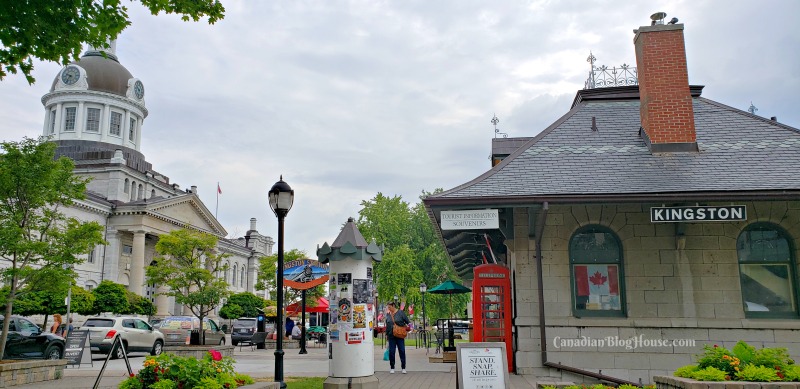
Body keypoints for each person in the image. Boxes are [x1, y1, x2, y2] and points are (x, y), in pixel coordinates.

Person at [385, 302, 410, 374]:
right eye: (388, 307)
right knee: (391, 352)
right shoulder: (388, 314)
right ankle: (392, 367)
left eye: (390, 307)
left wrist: (411, 328)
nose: (389, 309)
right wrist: (387, 335)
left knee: (402, 350)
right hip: (391, 336)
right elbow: (388, 324)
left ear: (393, 306)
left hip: (399, 335)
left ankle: (403, 367)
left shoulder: (401, 313)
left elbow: (408, 322)